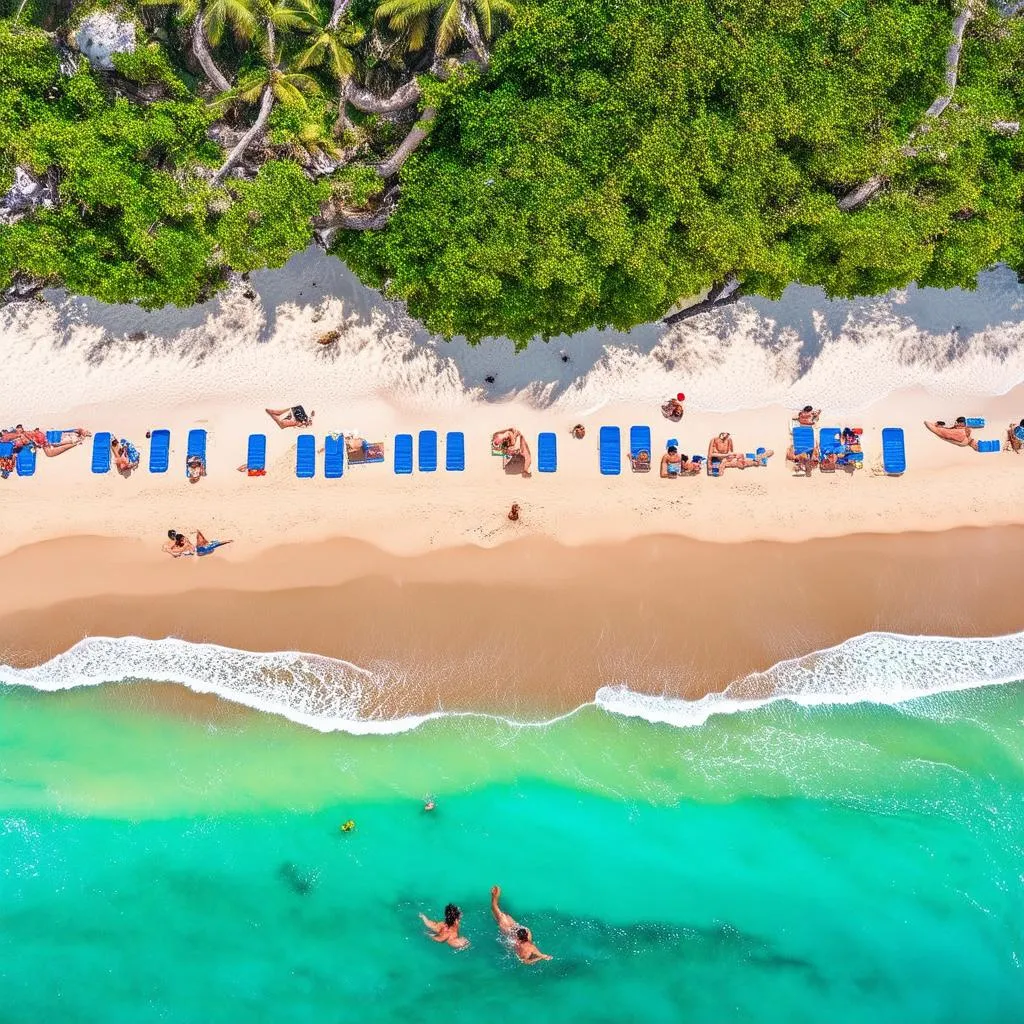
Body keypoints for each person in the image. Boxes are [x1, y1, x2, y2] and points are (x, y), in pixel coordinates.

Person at [491, 886, 552, 964]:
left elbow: (527, 961)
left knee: (497, 911)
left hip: (510, 925)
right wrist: (541, 957)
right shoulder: (528, 947)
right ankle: (495, 896)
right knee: (498, 912)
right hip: (509, 927)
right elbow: (527, 961)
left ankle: (495, 896)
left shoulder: (528, 938)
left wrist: (541, 957)